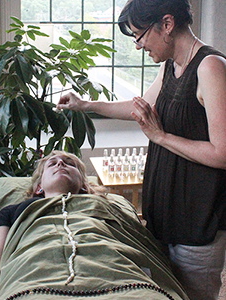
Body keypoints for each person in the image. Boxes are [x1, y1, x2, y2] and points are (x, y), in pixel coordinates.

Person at [57, 1, 226, 299]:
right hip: (164, 214)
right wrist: (85, 105)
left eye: (140, 35)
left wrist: (160, 137)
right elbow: (141, 108)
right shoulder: (171, 65)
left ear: (168, 24)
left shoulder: (211, 67)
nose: (137, 46)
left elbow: (222, 152)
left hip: (198, 221)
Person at [0, 150, 189, 300]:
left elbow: (140, 247)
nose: (60, 164)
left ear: (84, 185)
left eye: (70, 164)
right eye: (52, 163)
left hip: (119, 277)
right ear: (38, 187)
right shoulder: (14, 211)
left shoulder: (110, 207)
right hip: (35, 280)